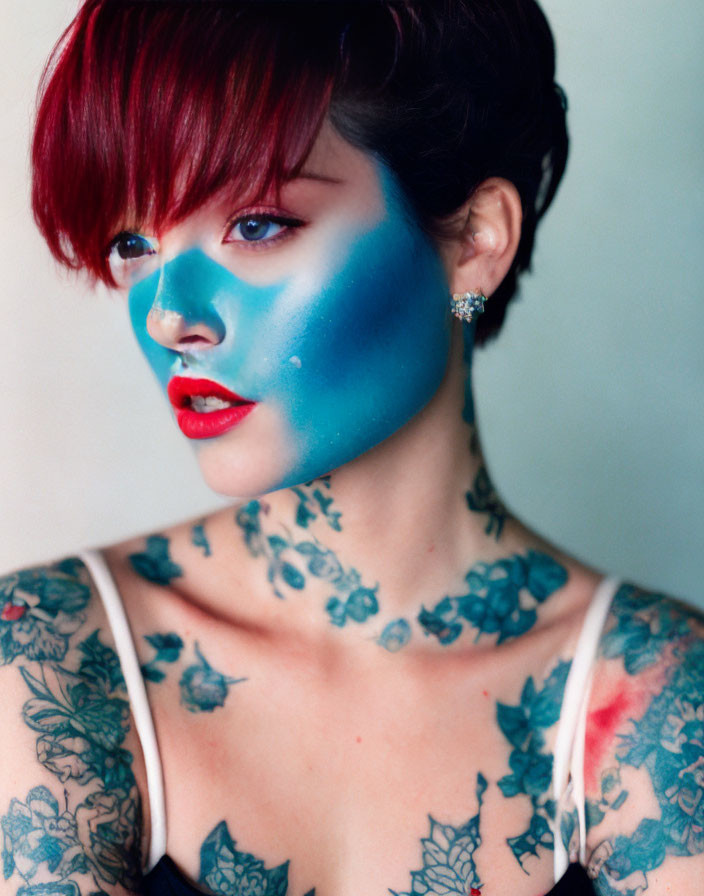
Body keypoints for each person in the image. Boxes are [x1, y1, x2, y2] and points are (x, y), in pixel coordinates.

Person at [1, 2, 702, 895]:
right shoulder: (52, 665)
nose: (172, 315)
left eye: (255, 225)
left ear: (475, 240)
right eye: (135, 244)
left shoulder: (660, 704)